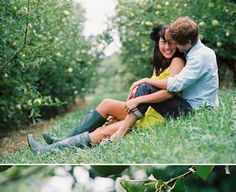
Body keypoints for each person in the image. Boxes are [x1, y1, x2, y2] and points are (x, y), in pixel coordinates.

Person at [26, 25, 186, 155]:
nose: (167, 47)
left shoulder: (177, 61)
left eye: (171, 42)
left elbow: (168, 93)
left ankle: (49, 151)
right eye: (163, 42)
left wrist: (137, 100)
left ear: (177, 43)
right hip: (146, 110)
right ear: (157, 43)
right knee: (107, 103)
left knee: (105, 131)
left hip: (156, 117)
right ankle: (62, 141)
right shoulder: (160, 63)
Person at [113, 16, 219, 140]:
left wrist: (145, 81)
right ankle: (123, 127)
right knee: (145, 88)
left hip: (197, 112)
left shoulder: (199, 57)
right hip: (192, 106)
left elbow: (175, 85)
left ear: (189, 42)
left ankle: (121, 132)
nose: (175, 47)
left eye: (177, 45)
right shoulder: (196, 51)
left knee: (146, 87)